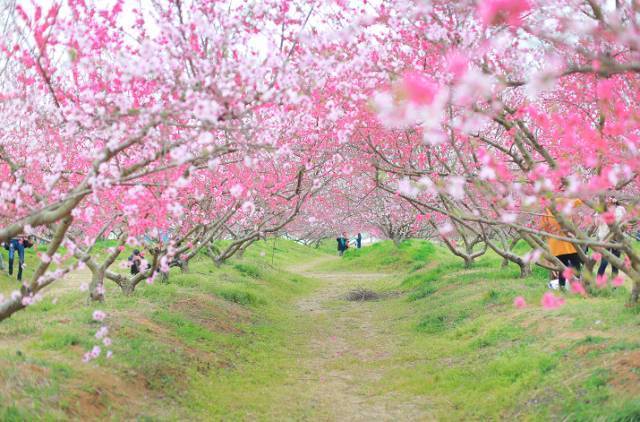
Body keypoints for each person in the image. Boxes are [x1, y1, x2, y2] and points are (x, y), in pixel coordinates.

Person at [540, 199, 583, 290]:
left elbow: (544, 227)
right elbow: (579, 201)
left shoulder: (548, 209)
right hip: (565, 243)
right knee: (575, 265)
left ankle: (563, 287)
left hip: (560, 243)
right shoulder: (566, 203)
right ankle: (575, 286)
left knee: (563, 267)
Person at [596, 197, 626, 279]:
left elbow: (625, 221)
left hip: (617, 238)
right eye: (606, 198)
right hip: (605, 238)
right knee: (604, 262)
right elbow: (596, 223)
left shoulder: (620, 209)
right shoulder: (602, 209)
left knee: (615, 264)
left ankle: (615, 286)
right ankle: (598, 282)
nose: (608, 200)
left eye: (610, 198)